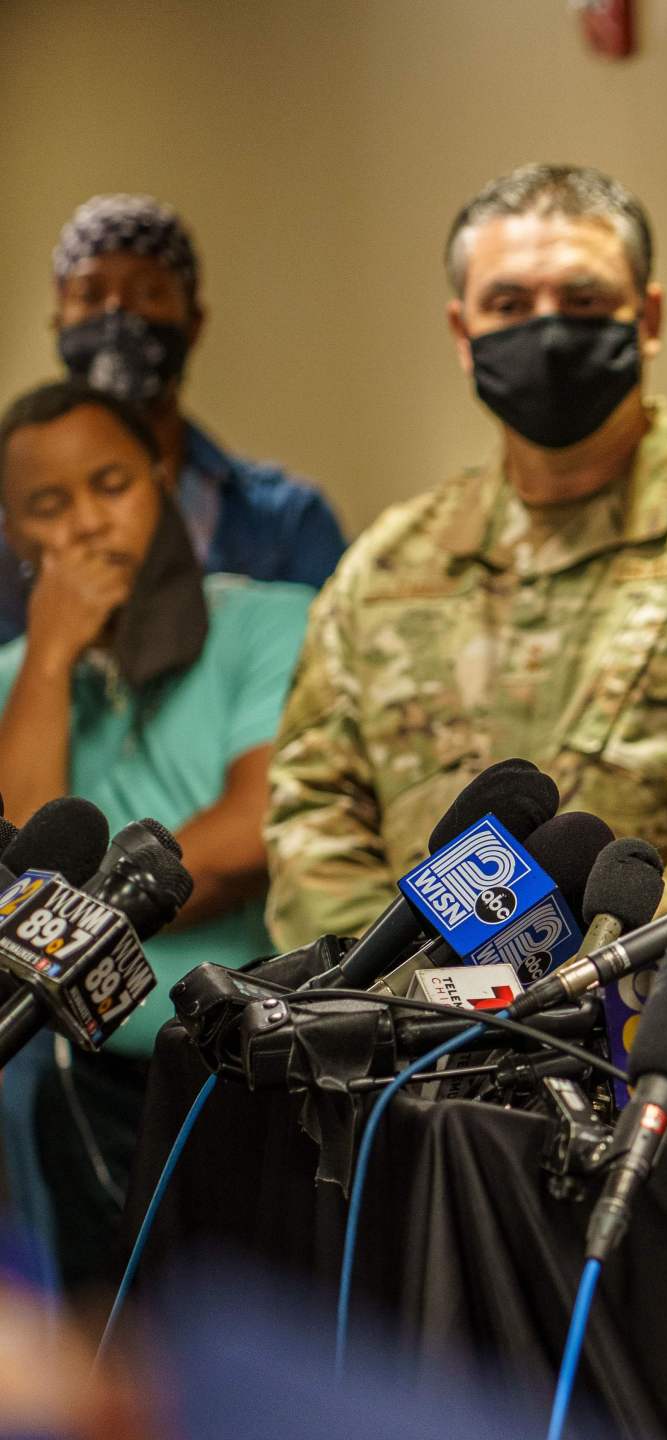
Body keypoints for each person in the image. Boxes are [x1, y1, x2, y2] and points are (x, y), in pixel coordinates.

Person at [263, 165, 667, 945]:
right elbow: (315, 816)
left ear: (647, 317)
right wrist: (401, 1002)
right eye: (509, 305)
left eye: (582, 301)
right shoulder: (386, 569)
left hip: (662, 1043)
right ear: (462, 332)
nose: (546, 330)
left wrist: (580, 986)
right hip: (414, 1050)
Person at [0, 380, 314, 1292]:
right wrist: (53, 657)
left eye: (111, 485)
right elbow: (24, 900)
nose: (88, 525)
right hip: (72, 1082)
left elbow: (253, 832)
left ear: (163, 482)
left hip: (241, 1064)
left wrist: (86, 921)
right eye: (48, 507)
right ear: (15, 535)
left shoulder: (270, 620)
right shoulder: (18, 678)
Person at [0, 194, 346, 643]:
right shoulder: (9, 543)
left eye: (148, 292)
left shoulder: (287, 523)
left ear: (161, 483)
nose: (116, 313)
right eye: (90, 294)